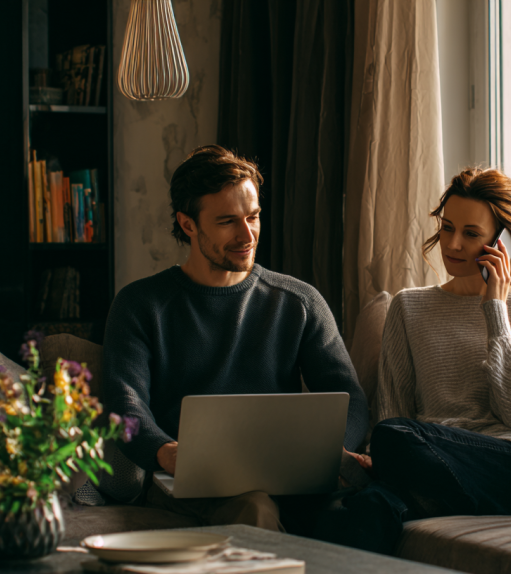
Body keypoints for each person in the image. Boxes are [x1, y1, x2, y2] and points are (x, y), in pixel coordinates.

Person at [101, 145, 368, 533]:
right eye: (227, 221)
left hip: (289, 475)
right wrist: (166, 451)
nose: (247, 235)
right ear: (188, 224)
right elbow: (124, 404)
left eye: (253, 216)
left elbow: (350, 397)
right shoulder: (140, 304)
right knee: (255, 508)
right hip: (191, 483)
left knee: (366, 510)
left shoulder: (299, 301)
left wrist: (331, 452)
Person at [314, 168, 511, 554]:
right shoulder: (408, 307)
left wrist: (495, 310)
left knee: (393, 439)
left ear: (502, 243)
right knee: (370, 504)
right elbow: (393, 409)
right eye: (447, 228)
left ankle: (389, 478)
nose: (453, 244)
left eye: (471, 234)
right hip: (428, 465)